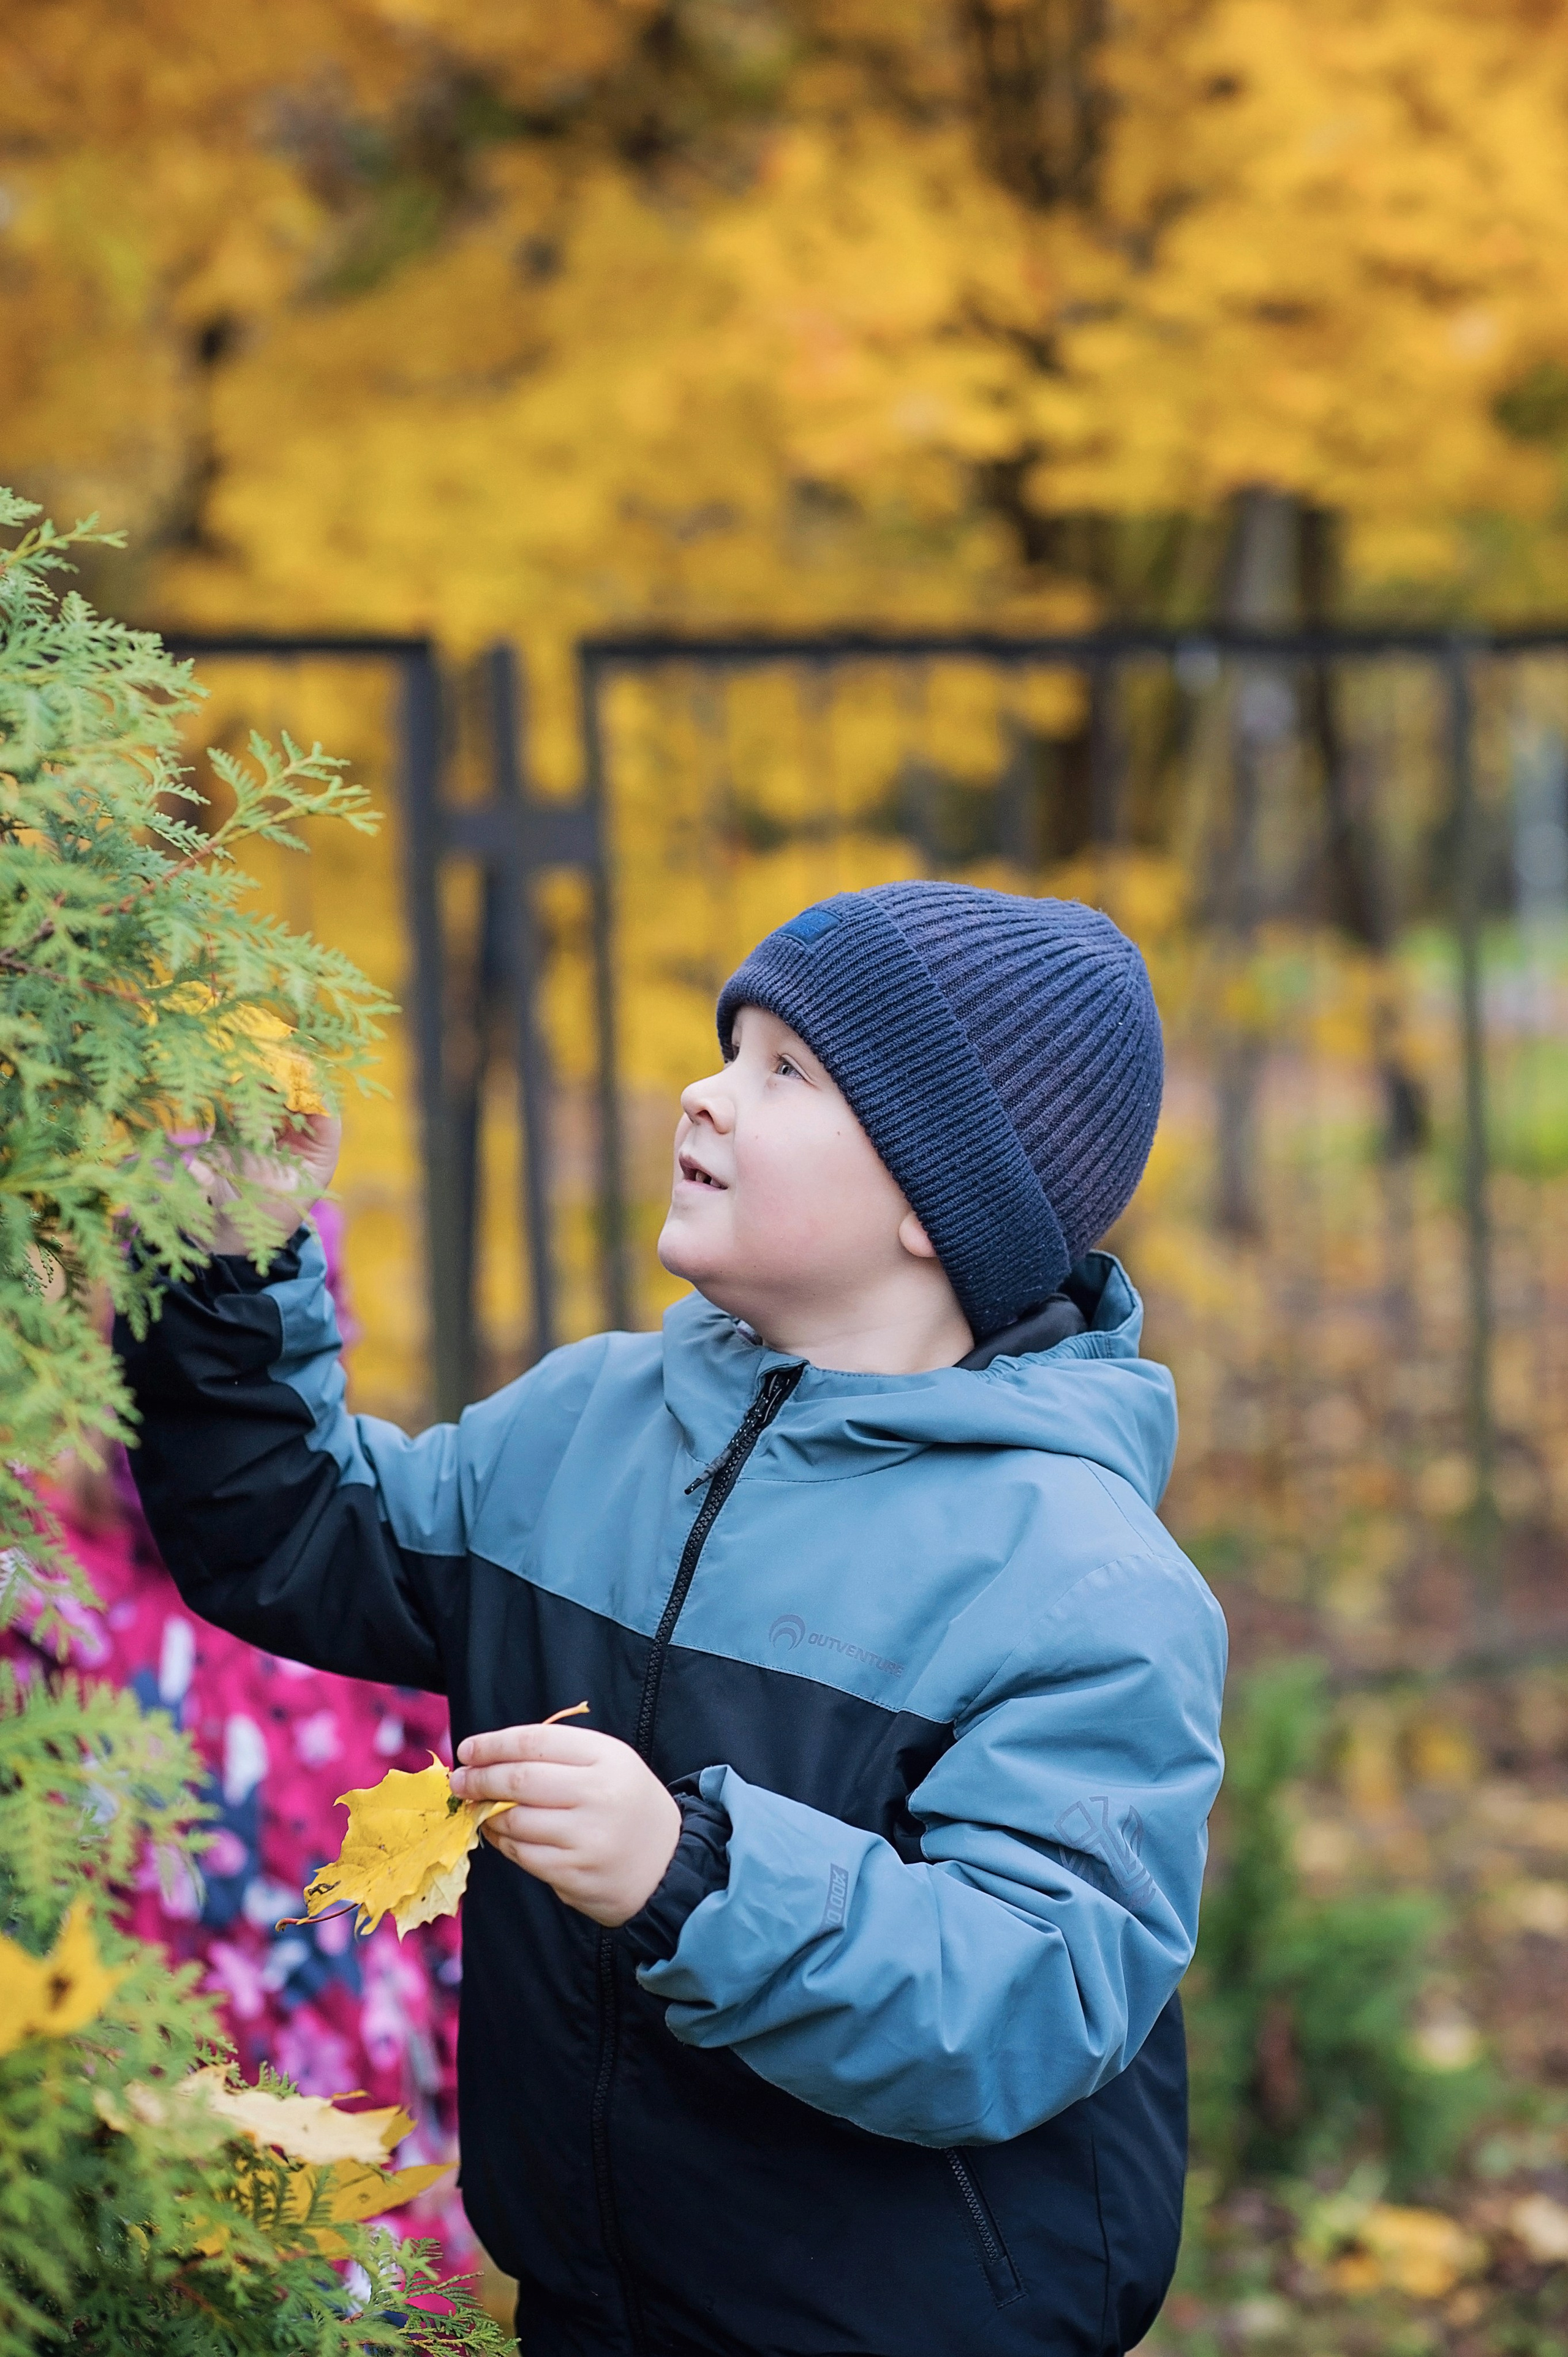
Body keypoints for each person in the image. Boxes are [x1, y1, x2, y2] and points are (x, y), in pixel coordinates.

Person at [117, 881, 1227, 2357]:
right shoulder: (592, 1422)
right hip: (590, 2300)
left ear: (928, 1199)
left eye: (786, 1072)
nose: (704, 1091)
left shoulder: (1078, 1580)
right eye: (729, 1047)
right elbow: (299, 1532)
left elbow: (1032, 1992)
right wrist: (231, 1264)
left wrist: (689, 1874)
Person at [7, 1210, 475, 2280]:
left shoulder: (351, 1591)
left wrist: (459, 2091)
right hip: (140, 2178)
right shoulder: (42, 1597)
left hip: (366, 2166)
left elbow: (447, 1878)